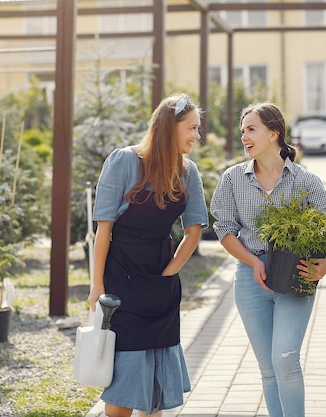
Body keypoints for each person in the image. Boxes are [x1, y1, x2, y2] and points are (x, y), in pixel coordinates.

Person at [210, 102, 326, 417]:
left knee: (285, 361)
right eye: (242, 131)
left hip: (295, 275)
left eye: (251, 129)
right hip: (250, 278)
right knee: (268, 368)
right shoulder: (232, 179)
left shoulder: (305, 180)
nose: (244, 137)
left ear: (274, 133)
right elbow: (224, 229)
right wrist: (253, 262)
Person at [88, 93, 209, 417]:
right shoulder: (124, 161)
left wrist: (168, 275)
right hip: (120, 282)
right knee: (125, 374)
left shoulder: (188, 171)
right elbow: (104, 230)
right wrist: (96, 286)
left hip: (160, 278)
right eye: (192, 128)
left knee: (156, 379)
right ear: (170, 128)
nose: (197, 136)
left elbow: (193, 230)